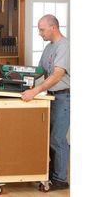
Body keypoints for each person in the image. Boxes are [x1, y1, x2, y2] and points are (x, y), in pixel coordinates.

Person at [21, 14, 70, 191]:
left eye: (42, 29)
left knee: (57, 139)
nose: (40, 33)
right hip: (51, 96)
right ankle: (49, 172)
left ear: (53, 28)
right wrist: (17, 79)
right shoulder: (49, 47)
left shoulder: (64, 46)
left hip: (64, 97)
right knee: (47, 137)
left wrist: (35, 91)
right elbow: (40, 71)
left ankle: (61, 179)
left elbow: (57, 74)